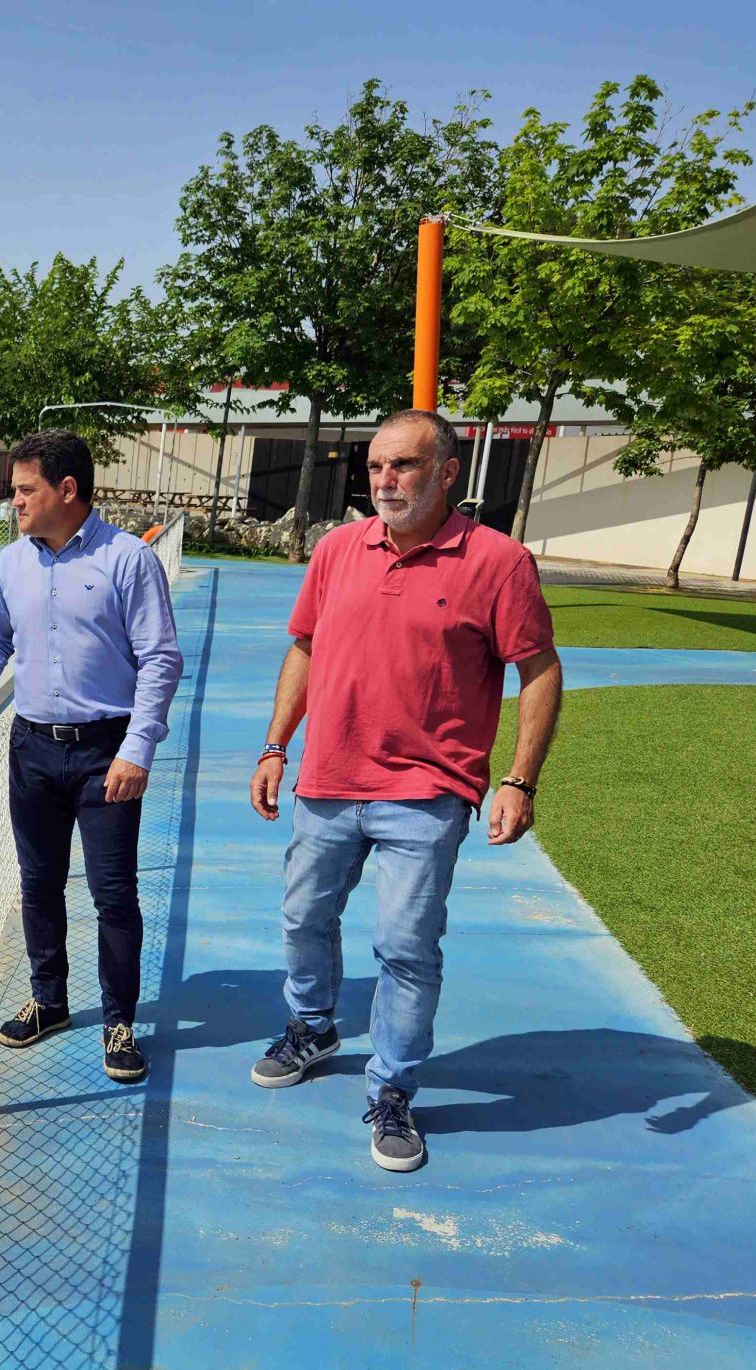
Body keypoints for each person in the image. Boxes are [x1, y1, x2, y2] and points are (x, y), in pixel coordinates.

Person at [248, 409, 563, 1172]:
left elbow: (539, 669)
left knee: (406, 949)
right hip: (328, 779)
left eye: (404, 465)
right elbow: (305, 647)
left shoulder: (499, 562)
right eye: (376, 466)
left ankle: (392, 1088)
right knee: (303, 918)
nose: (385, 480)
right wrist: (275, 745)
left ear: (447, 473)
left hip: (427, 793)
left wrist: (519, 779)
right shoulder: (338, 549)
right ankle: (312, 1025)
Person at [0, 430, 182, 1083]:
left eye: (25, 489)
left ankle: (119, 1021)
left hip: (107, 752)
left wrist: (138, 748)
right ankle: (49, 1001)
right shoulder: (13, 561)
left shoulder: (128, 560)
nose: (13, 501)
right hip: (32, 748)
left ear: (67, 489)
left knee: (113, 893)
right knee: (39, 883)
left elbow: (161, 660)